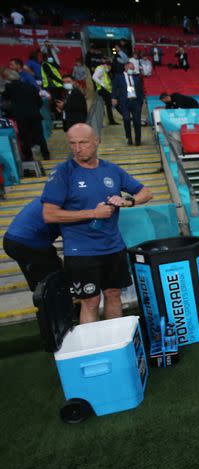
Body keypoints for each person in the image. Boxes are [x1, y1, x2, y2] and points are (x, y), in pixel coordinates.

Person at [41, 124, 153, 324]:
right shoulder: (62, 172)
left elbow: (146, 192)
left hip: (113, 246)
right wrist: (93, 213)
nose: (77, 148)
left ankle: (115, 343)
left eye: (83, 142)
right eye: (72, 143)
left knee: (114, 293)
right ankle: (93, 350)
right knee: (91, 302)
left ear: (96, 141)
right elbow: (49, 215)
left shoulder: (112, 169)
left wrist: (127, 202)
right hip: (81, 251)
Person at [4, 198, 62, 291]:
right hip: (27, 243)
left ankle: (45, 299)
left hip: (10, 240)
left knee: (39, 283)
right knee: (54, 279)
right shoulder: (62, 203)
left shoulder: (49, 197)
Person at [1, 69, 50, 161]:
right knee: (40, 136)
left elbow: (5, 99)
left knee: (25, 137)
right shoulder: (30, 86)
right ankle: (46, 155)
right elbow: (39, 101)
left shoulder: (8, 87)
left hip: (21, 116)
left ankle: (28, 157)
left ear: (7, 78)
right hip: (34, 114)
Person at [111, 62, 145, 146]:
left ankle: (138, 140)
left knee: (137, 121)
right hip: (124, 102)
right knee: (126, 119)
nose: (132, 70)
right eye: (131, 68)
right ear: (125, 67)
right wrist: (114, 97)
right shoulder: (119, 77)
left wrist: (141, 101)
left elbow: (141, 90)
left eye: (133, 69)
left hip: (135, 102)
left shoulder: (136, 78)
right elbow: (114, 88)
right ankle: (129, 137)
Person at [92, 59, 117, 125]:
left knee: (110, 104)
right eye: (109, 67)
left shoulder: (102, 69)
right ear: (106, 65)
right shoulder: (100, 69)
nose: (109, 69)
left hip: (105, 89)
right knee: (109, 105)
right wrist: (102, 84)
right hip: (103, 89)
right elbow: (94, 77)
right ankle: (111, 121)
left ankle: (112, 120)